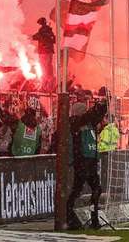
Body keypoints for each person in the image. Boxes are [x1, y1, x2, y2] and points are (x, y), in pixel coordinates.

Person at [66, 100, 108, 230]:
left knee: (96, 189)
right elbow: (87, 117)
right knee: (77, 190)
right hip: (82, 160)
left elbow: (97, 116)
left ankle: (94, 218)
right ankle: (69, 217)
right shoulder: (75, 122)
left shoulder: (89, 122)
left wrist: (103, 107)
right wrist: (95, 109)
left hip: (90, 160)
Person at [32, 17, 56, 91]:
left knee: (44, 70)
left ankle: (45, 87)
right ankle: (49, 86)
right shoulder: (50, 31)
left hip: (43, 52)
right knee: (49, 69)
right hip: (49, 52)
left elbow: (35, 37)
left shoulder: (42, 31)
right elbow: (54, 40)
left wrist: (30, 37)